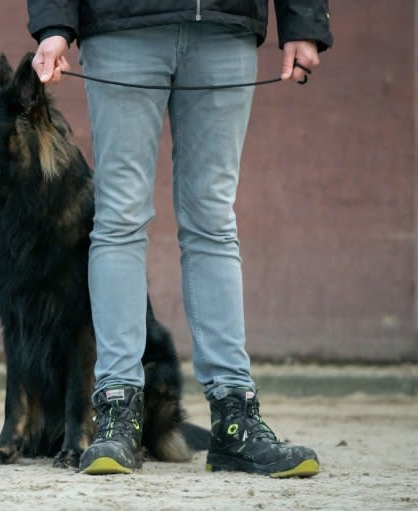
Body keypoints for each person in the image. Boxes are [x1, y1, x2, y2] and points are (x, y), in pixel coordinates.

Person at [26, 1, 333, 477]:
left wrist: (304, 21)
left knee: (212, 220)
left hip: (223, 27)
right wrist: (53, 25)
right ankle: (116, 414)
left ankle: (235, 420)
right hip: (121, 26)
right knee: (119, 217)